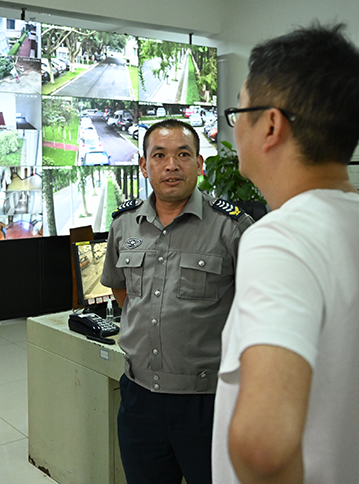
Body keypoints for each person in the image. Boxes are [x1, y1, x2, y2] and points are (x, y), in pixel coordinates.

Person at [212, 24, 359, 484]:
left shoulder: (282, 238)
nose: (233, 128)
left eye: (238, 111)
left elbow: (262, 448)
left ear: (270, 125)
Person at [101, 119, 253, 484]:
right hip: (139, 399)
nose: (171, 165)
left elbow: (256, 308)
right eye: (160, 156)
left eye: (183, 155)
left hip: (206, 401)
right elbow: (122, 292)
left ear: (199, 164)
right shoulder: (124, 224)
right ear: (144, 165)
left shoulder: (231, 227)